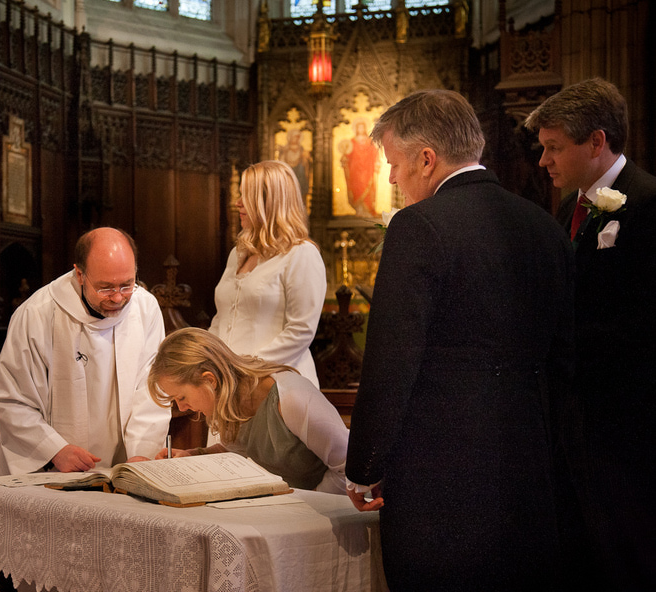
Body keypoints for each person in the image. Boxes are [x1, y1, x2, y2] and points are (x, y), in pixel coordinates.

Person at [345, 90, 575, 591]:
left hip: (440, 479)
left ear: (427, 160)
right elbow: (565, 360)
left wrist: (364, 466)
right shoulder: (545, 227)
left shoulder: (419, 226)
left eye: (394, 164)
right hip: (530, 471)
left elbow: (391, 362)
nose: (391, 178)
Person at [525, 78, 656, 591]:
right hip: (573, 422)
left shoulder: (648, 204)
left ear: (596, 141)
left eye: (554, 147)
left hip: (627, 428)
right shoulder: (567, 210)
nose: (544, 161)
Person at [0, 227, 171, 475]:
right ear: (80, 274)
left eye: (127, 285)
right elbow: (12, 399)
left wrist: (142, 452)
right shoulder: (38, 314)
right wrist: (54, 450)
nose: (118, 298)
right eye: (105, 288)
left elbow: (153, 388)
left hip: (126, 466)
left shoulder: (145, 308)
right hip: (55, 469)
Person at [148, 327, 348, 494]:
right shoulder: (228, 400)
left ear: (209, 380)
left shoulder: (291, 397)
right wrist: (192, 455)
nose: (182, 408)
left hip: (323, 512)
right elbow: (240, 450)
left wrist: (306, 507)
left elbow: (347, 467)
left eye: (181, 397)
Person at [209, 160, 326, 389]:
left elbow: (300, 331)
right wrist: (210, 360)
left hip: (276, 384)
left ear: (269, 201)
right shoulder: (238, 253)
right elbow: (222, 318)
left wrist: (244, 369)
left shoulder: (301, 254)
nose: (237, 202)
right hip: (229, 383)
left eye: (246, 196)